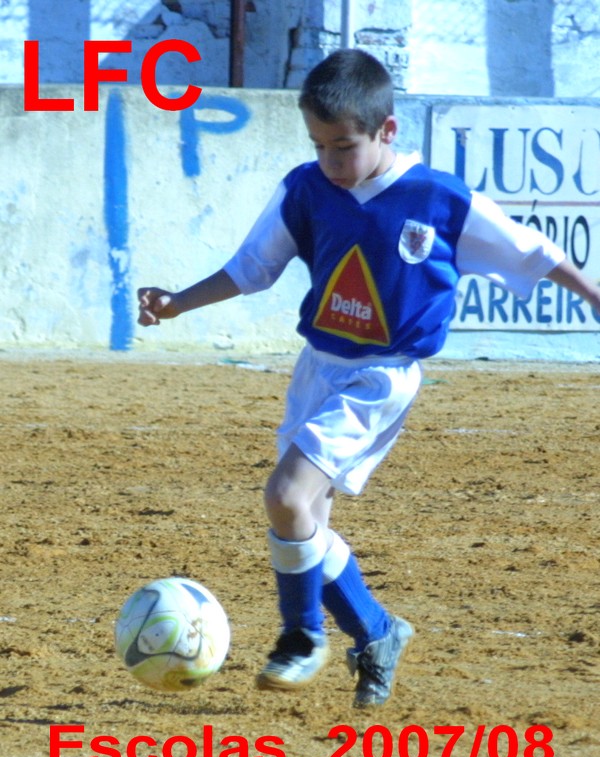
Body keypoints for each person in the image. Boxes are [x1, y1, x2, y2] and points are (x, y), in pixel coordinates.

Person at [137, 49, 600, 709]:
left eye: (344, 147)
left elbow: (533, 251)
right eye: (318, 145)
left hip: (380, 378)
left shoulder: (438, 199)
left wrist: (593, 293)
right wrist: (178, 301)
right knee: (305, 524)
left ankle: (302, 636)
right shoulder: (307, 189)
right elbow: (251, 267)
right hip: (317, 369)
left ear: (387, 131)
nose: (330, 160)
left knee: (286, 497)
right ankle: (377, 632)